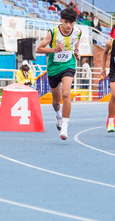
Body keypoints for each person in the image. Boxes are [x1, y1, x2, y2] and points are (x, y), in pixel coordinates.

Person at [36, 8, 81, 141]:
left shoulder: (78, 31)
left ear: (75, 22)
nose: (68, 25)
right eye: (66, 22)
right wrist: (54, 49)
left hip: (68, 64)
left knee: (66, 94)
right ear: (61, 20)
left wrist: (76, 50)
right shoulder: (53, 32)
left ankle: (65, 128)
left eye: (71, 22)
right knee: (56, 102)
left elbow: (76, 39)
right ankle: (58, 115)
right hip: (54, 68)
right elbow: (39, 49)